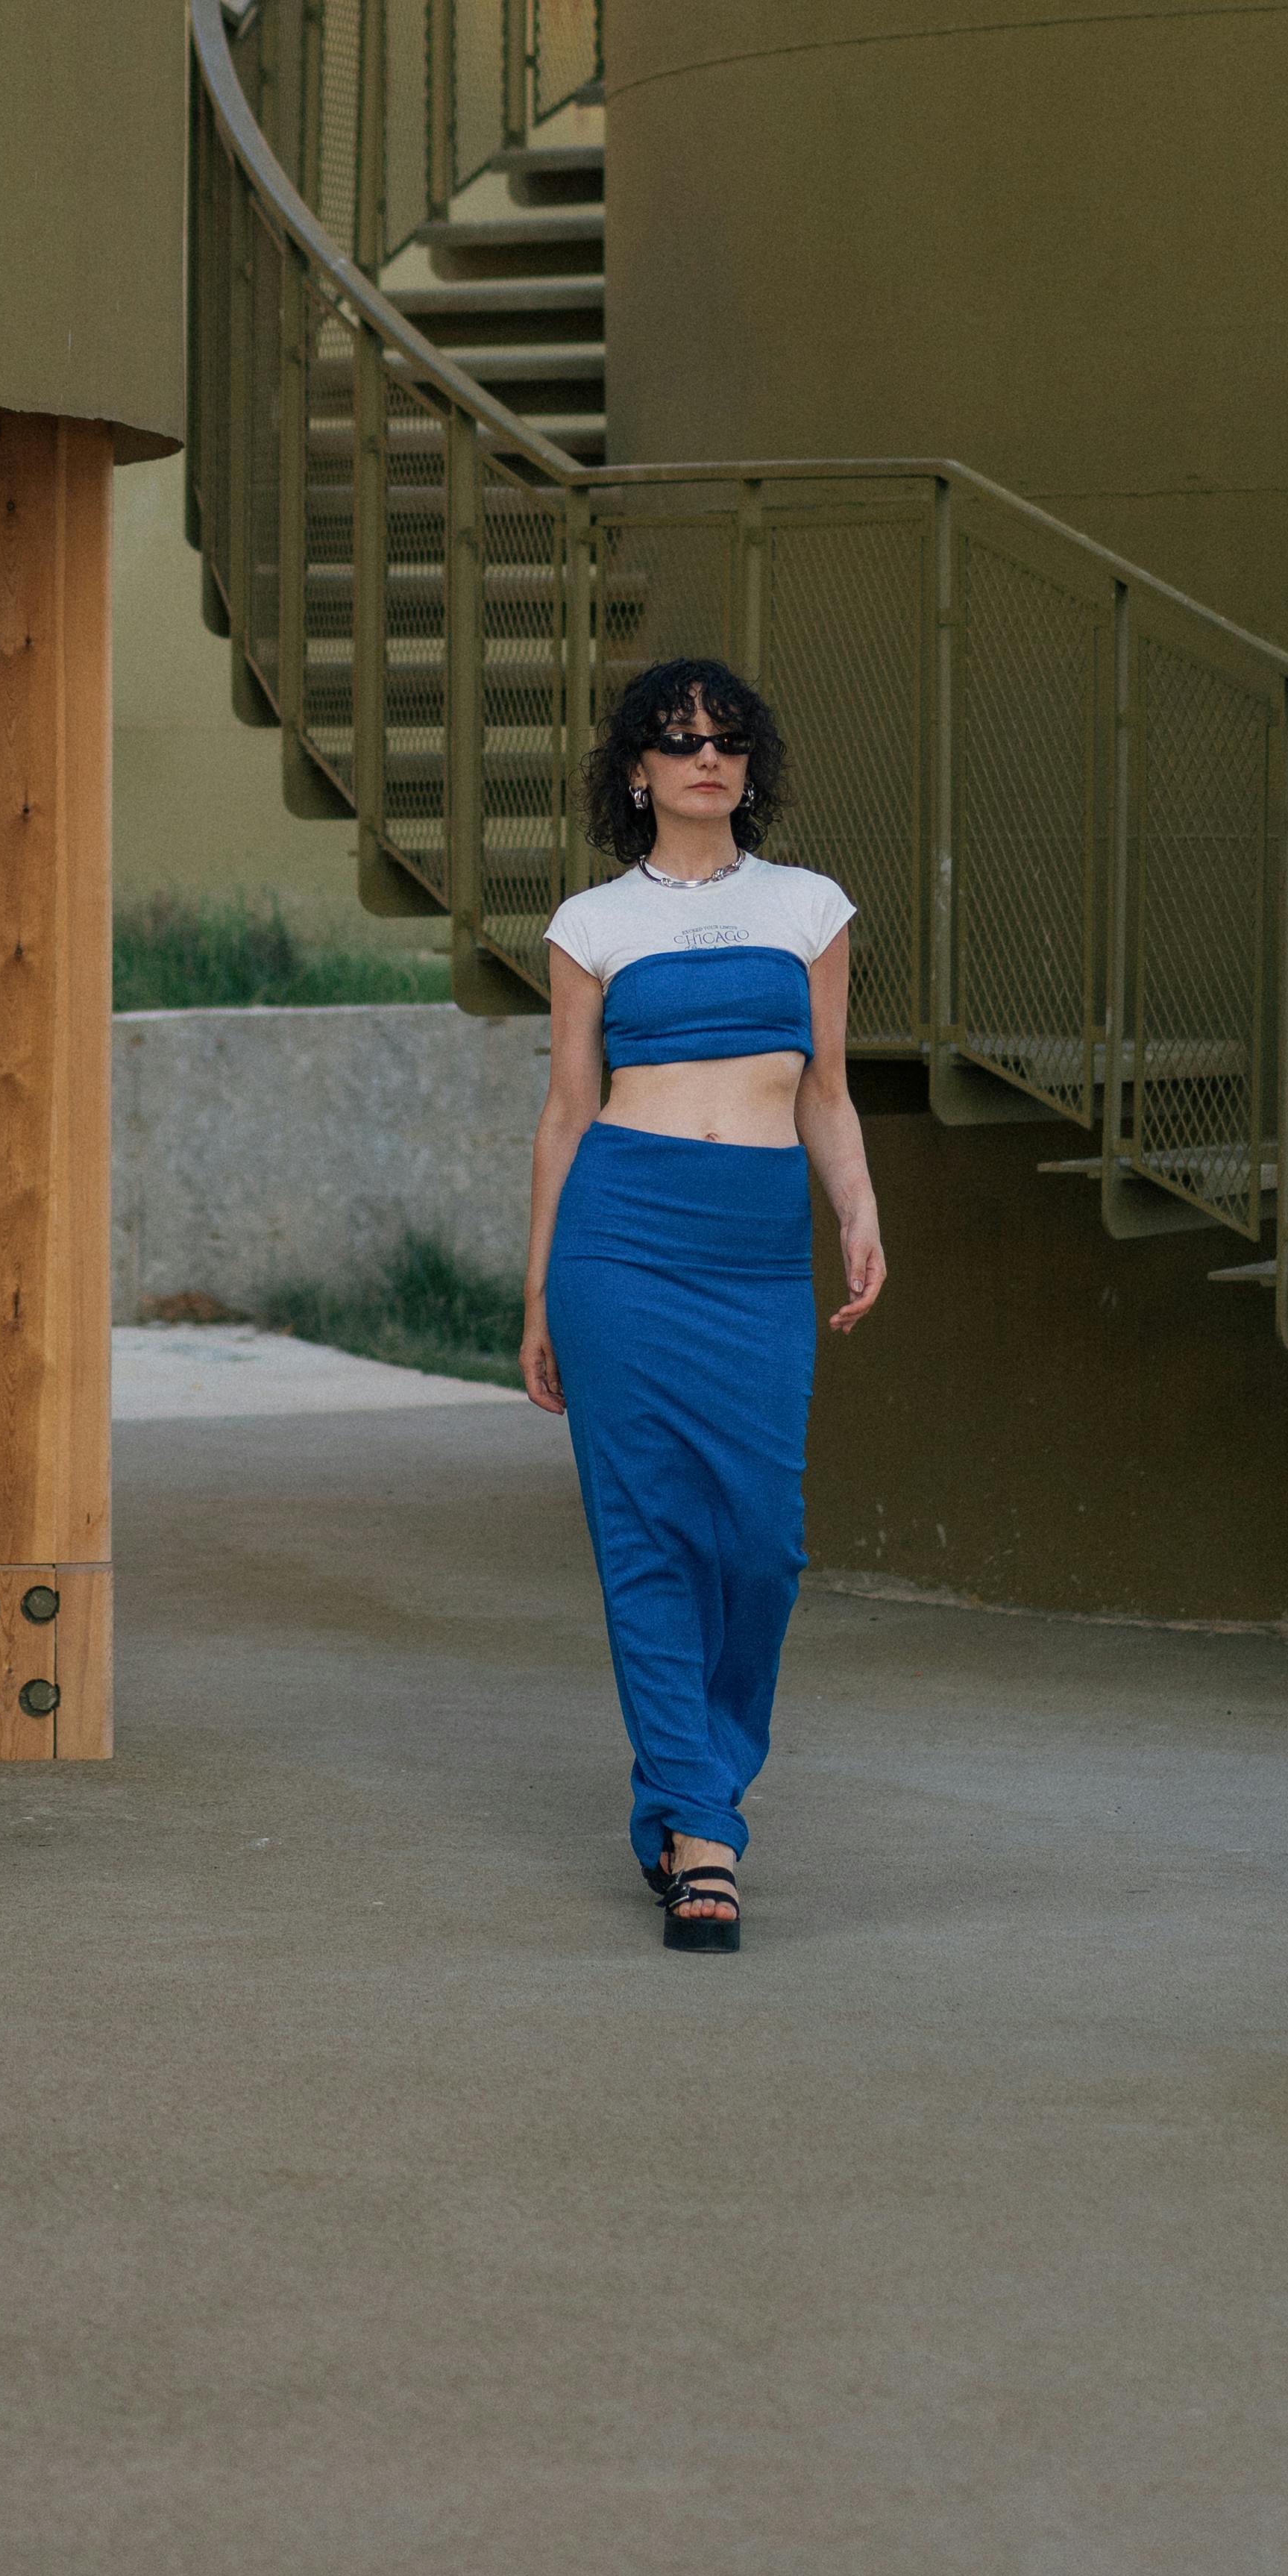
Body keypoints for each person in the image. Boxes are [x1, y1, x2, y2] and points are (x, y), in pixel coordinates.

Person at [519, 656, 886, 1950]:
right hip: (620, 1237)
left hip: (749, 1248)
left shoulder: (811, 907)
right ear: (637, 770)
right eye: (677, 741)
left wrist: (857, 1209)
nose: (704, 758)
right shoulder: (589, 924)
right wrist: (539, 1296)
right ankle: (700, 1827)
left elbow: (826, 1088)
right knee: (648, 1532)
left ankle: (690, 1783)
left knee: (762, 1540)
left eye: (726, 739)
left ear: (751, 764)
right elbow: (567, 1109)